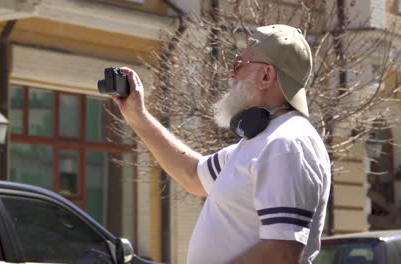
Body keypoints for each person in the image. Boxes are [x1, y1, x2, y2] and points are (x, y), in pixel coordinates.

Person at [113, 24, 331, 264]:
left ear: (266, 75)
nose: (231, 73)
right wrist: (138, 116)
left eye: (239, 64)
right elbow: (192, 175)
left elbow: (282, 254)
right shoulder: (261, 140)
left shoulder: (287, 145)